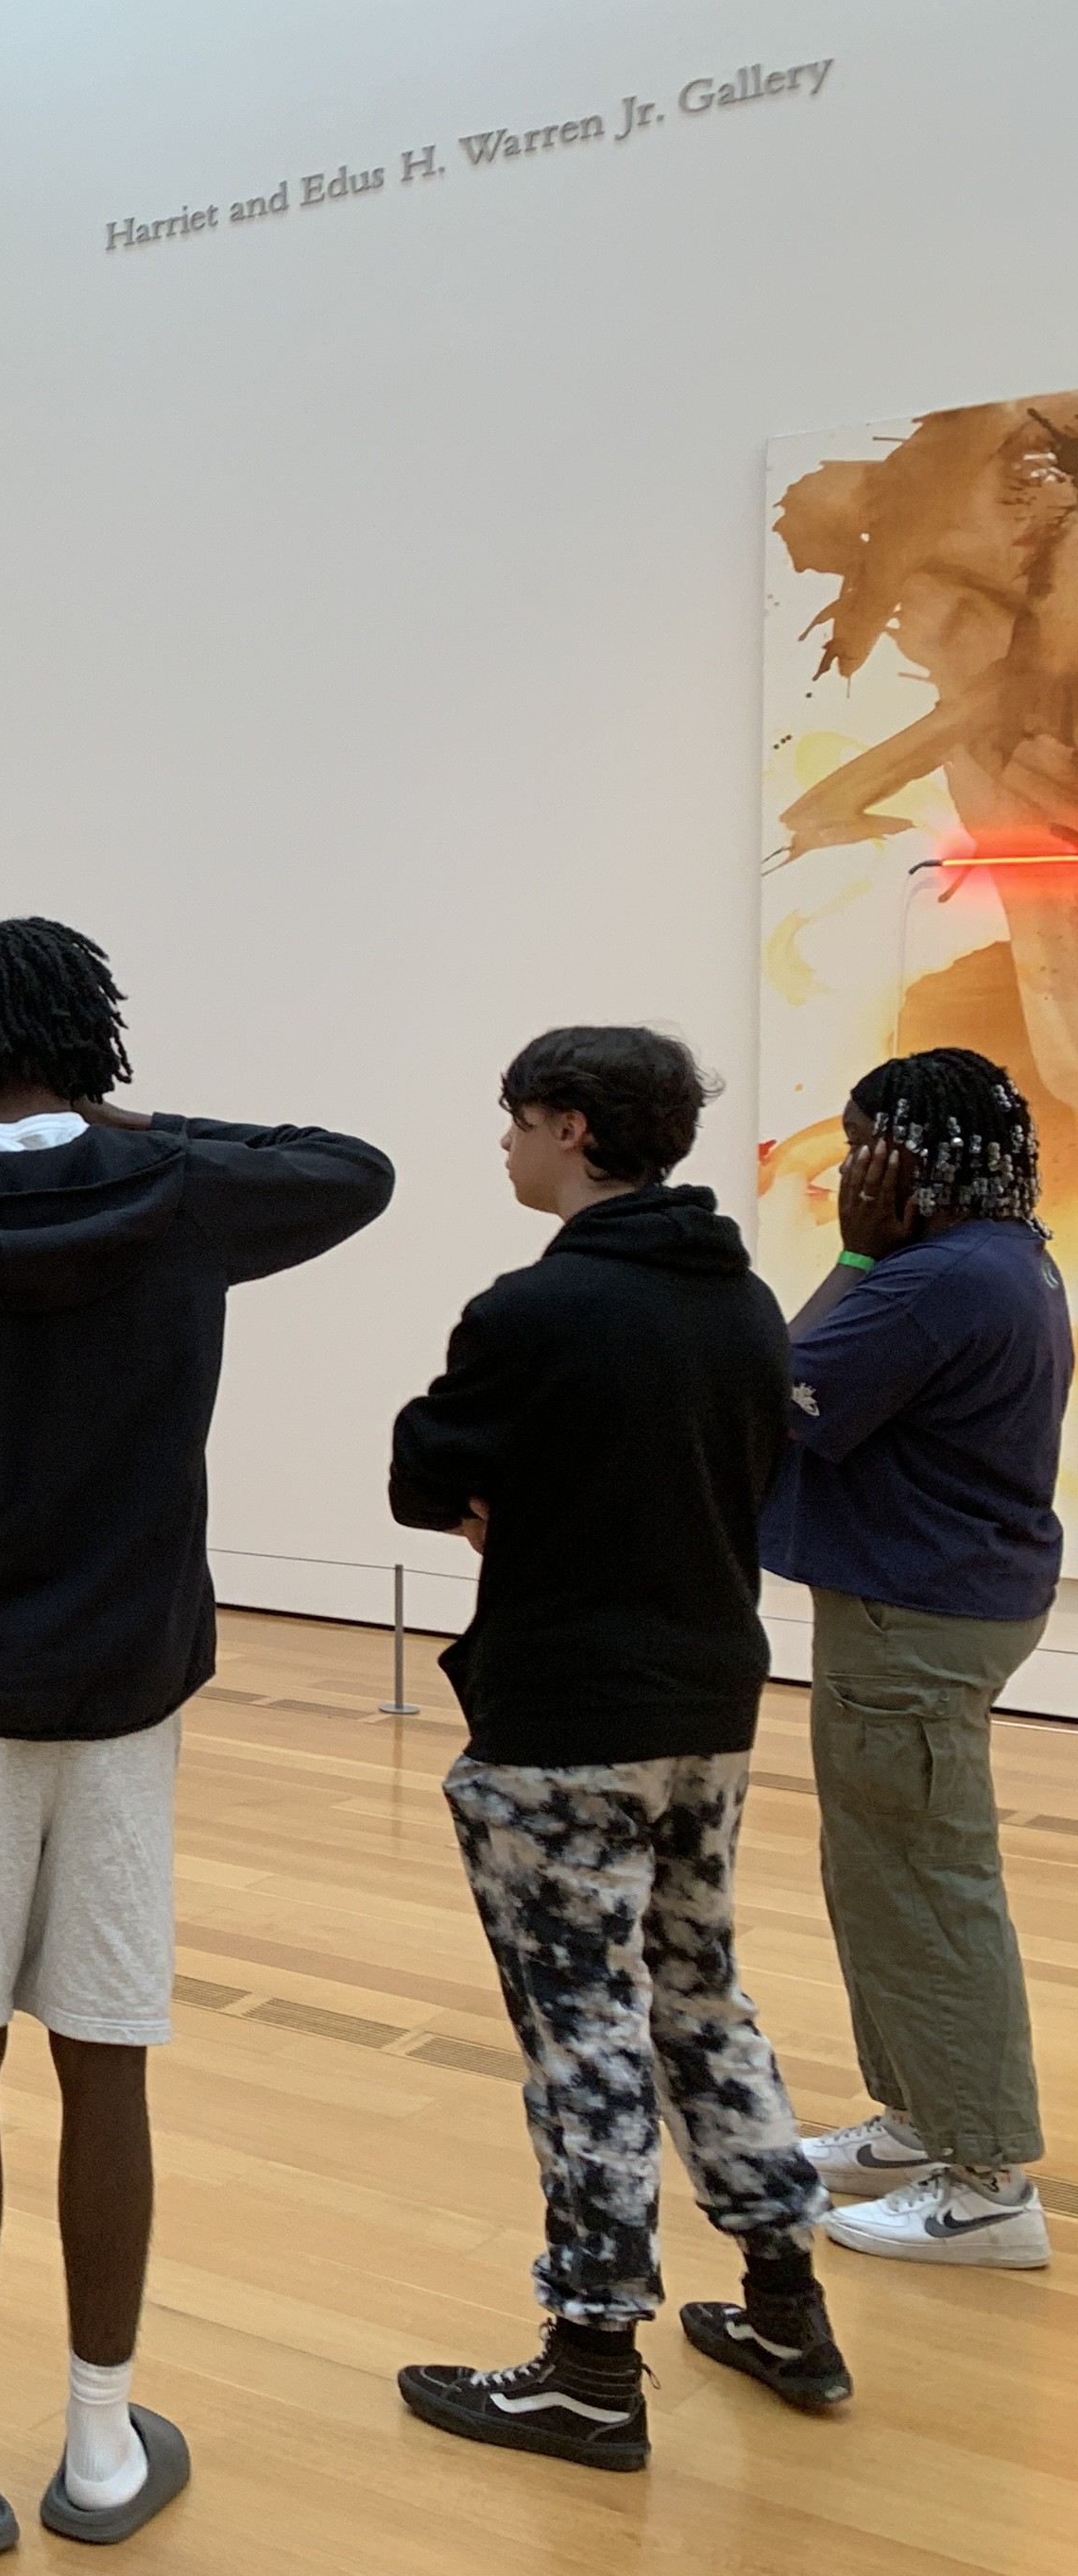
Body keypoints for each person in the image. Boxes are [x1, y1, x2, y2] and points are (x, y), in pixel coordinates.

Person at [0, 914, 391, 2555]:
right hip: (125, 1685)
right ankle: (104, 2447)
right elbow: (353, 1166)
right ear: (90, 1038)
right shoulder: (175, 1191)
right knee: (106, 2049)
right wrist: (126, 1122)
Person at [387, 1026, 846, 2476]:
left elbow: (423, 1469)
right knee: (702, 1998)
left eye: (517, 1120)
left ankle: (590, 2370)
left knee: (583, 2035)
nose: (506, 1144)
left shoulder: (537, 1310)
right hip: (709, 1710)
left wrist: (509, 1501)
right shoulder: (746, 1305)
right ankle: (788, 2308)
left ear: (573, 1128)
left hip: (567, 1724)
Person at [764, 1048, 1066, 2270]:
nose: (847, 1171)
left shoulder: (931, 1280)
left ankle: (987, 2184)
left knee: (928, 1888)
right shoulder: (1001, 1256)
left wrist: (851, 1256)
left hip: (916, 1620)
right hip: (931, 1605)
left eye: (860, 1147)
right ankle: (916, 2122)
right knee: (882, 1877)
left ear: (912, 1159)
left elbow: (778, 1393)